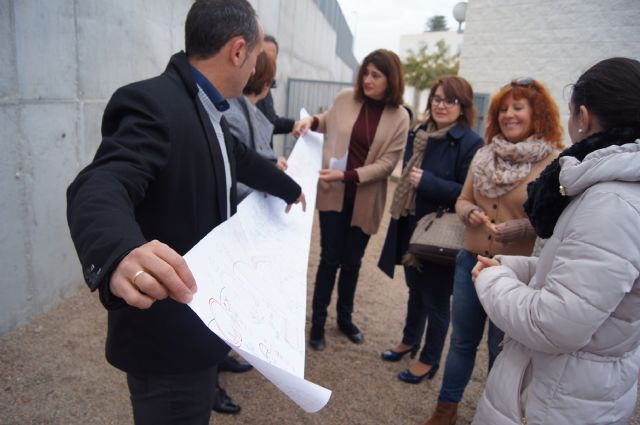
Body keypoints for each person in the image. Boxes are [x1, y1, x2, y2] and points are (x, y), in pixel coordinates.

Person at [66, 1, 305, 424]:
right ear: (237, 51)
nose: (255, 68)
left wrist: (290, 187)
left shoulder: (207, 105)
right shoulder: (153, 103)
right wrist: (119, 251)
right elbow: (100, 183)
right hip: (168, 341)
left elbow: (239, 157)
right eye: (256, 57)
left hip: (199, 326)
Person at [470, 58, 640, 425]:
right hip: (571, 388)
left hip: (556, 398)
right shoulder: (607, 191)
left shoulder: (610, 204)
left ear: (583, 116)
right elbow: (575, 272)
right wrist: (511, 266)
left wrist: (490, 278)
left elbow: (555, 323)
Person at [422, 77, 564, 425]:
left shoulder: (552, 161)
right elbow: (463, 198)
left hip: (512, 273)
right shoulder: (484, 154)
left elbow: (555, 218)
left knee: (501, 350)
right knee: (461, 343)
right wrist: (468, 211)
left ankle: (493, 415)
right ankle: (445, 411)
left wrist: (518, 228)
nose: (508, 115)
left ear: (537, 114)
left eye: (518, 108)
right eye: (503, 109)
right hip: (468, 263)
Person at [295, 49, 410, 351]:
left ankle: (344, 320)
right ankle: (317, 324)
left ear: (391, 80)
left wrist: (346, 176)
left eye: (376, 75)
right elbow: (327, 121)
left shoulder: (400, 117)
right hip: (334, 196)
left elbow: (387, 164)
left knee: (352, 263)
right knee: (329, 259)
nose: (367, 79)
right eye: (365, 72)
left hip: (364, 199)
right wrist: (310, 121)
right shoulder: (346, 98)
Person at [377, 76, 483, 384]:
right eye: (437, 98)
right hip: (413, 223)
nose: (441, 105)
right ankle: (410, 339)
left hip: (441, 233)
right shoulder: (421, 133)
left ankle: (429, 358)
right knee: (415, 290)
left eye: (449, 100)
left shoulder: (470, 143)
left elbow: (468, 193)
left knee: (436, 299)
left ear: (462, 107)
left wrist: (430, 183)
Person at [225, 51, 288, 202]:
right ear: (266, 85)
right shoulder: (236, 117)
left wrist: (271, 165)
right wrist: (269, 181)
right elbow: (235, 175)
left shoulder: (245, 112)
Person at [256, 35, 298, 143]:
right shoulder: (243, 88)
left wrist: (294, 124)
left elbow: (270, 122)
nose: (266, 63)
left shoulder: (265, 87)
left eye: (271, 59)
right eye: (263, 57)